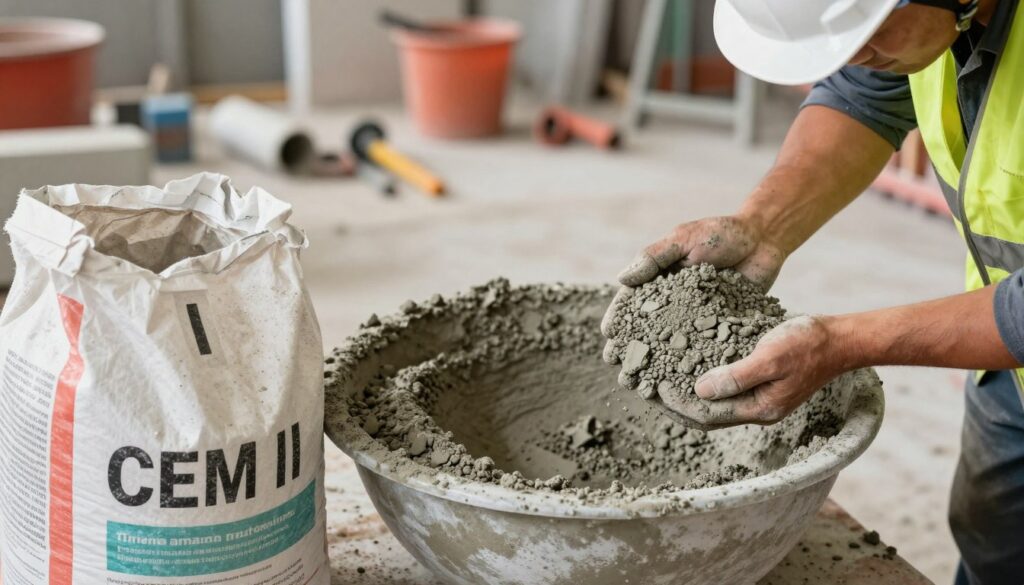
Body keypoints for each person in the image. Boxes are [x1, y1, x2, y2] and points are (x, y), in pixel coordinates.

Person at [603, 1, 1024, 583]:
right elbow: (866, 95)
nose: (855, 57)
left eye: (866, 34)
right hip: (1008, 366)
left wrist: (839, 344)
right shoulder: (931, 26)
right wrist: (761, 227)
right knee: (995, 544)